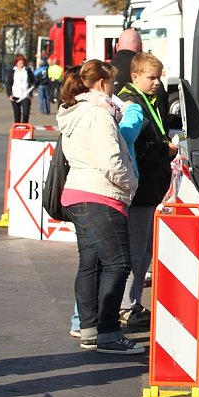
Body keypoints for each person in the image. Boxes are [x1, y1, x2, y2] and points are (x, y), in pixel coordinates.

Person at [57, 59, 143, 355]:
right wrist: (131, 183)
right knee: (118, 264)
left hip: (77, 193)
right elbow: (111, 161)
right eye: (113, 83)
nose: (114, 88)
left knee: (90, 264)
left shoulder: (75, 111)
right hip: (101, 195)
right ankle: (108, 333)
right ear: (103, 83)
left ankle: (89, 329)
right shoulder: (99, 114)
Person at [117, 52, 176, 328]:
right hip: (140, 188)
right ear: (135, 76)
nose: (157, 83)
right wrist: (164, 149)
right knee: (137, 251)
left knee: (145, 250)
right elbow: (133, 146)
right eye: (151, 78)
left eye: (159, 77)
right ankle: (127, 306)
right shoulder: (131, 104)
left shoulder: (149, 99)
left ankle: (132, 302)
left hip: (150, 186)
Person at [6, 55, 35, 123]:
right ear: (16, 63)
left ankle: (24, 126)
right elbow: (8, 84)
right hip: (15, 95)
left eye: (22, 63)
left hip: (25, 95)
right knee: (17, 114)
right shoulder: (12, 71)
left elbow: (33, 81)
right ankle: (17, 126)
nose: (21, 65)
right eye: (20, 63)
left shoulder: (27, 71)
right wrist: (9, 95)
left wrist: (30, 93)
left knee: (26, 112)